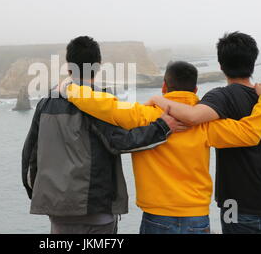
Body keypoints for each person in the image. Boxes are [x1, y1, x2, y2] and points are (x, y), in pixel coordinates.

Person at [65, 60, 261, 234]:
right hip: (196, 217)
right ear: (194, 89)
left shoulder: (143, 115)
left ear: (164, 87)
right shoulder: (204, 124)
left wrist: (69, 88)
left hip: (157, 217)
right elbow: (250, 133)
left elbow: (104, 105)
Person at [21, 36, 180, 234]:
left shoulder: (45, 104)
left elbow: (29, 158)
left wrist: (42, 196)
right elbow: (122, 142)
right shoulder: (99, 102)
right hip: (96, 210)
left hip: (58, 211)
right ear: (97, 67)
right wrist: (162, 127)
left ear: (68, 67)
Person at [147, 32, 261, 234]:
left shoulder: (221, 97)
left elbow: (191, 117)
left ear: (221, 65)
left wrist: (158, 99)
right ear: (252, 62)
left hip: (234, 205)